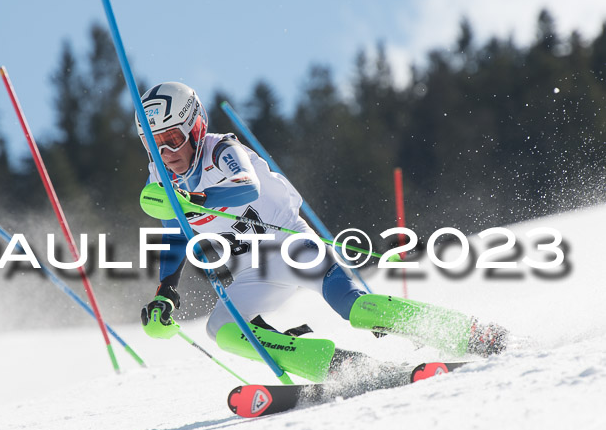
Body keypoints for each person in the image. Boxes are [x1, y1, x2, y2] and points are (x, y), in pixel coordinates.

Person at [136, 81, 506, 383]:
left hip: (292, 247)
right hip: (254, 270)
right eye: (153, 144)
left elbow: (246, 187)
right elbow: (174, 234)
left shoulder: (222, 150)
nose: (165, 152)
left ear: (196, 129)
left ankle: (470, 333)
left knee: (355, 308)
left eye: (172, 138)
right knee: (224, 329)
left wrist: (193, 197)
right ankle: (345, 368)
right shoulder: (161, 177)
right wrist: (165, 292)